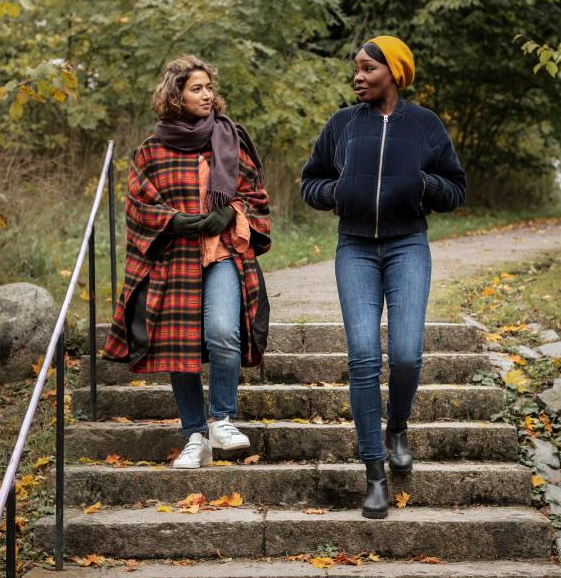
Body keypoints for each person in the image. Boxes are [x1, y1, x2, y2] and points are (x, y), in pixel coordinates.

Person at [300, 35, 465, 519]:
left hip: (408, 244)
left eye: (368, 68)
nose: (358, 76)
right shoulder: (342, 125)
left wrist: (423, 184)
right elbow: (310, 181)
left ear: (394, 71)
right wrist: (338, 192)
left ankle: (397, 426)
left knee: (407, 353)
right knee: (364, 355)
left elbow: (456, 188)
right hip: (354, 247)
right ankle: (374, 472)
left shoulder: (425, 125)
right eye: (356, 68)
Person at [102, 55, 271, 469]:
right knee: (180, 348)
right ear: (175, 95)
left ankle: (223, 420)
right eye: (197, 88)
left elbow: (255, 194)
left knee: (222, 332)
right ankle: (194, 435)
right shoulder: (150, 151)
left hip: (222, 253)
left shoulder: (230, 139)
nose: (207, 95)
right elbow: (138, 202)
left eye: (210, 88)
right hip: (174, 259)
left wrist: (231, 211)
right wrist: (172, 220)